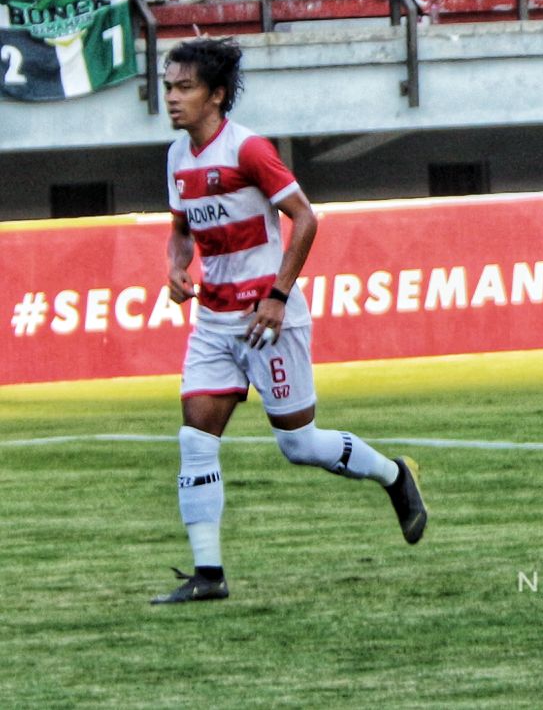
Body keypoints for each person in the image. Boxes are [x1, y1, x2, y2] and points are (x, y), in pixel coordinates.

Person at [153, 37, 427, 604]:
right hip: (215, 320)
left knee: (299, 444)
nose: (172, 98)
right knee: (195, 439)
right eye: (169, 86)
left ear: (217, 95)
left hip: (268, 319)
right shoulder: (177, 157)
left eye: (185, 88)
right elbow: (181, 232)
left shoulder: (248, 149)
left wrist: (277, 296)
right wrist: (177, 271)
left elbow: (304, 219)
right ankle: (209, 575)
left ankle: (395, 476)